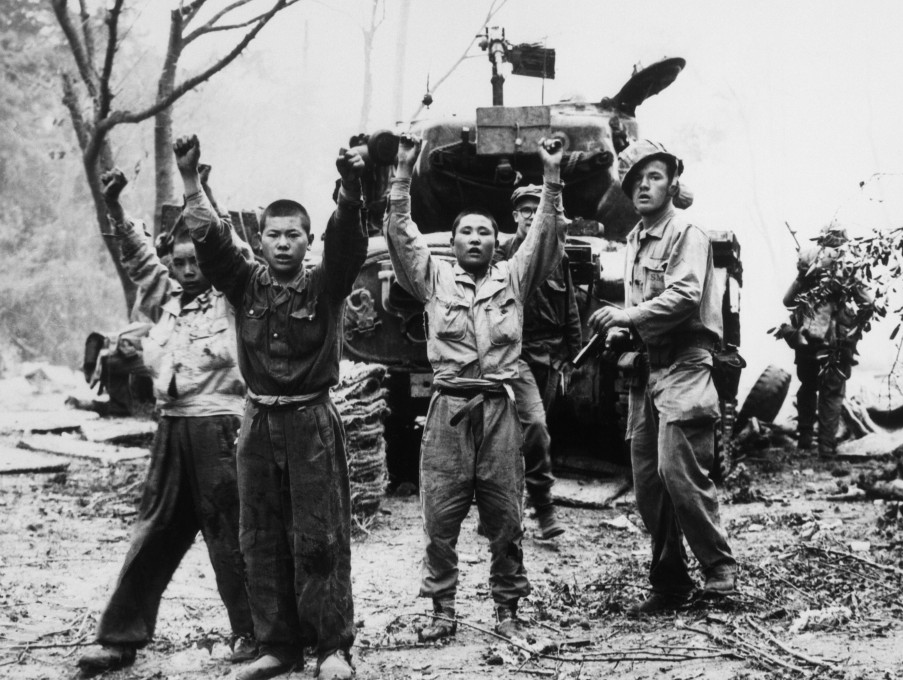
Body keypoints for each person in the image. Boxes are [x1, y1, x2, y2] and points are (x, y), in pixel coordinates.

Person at [173, 133, 367, 680]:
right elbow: (211, 241)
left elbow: (348, 243)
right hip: (257, 422)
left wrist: (351, 189)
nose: (283, 244)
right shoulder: (243, 284)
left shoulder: (326, 285)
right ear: (259, 241)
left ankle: (331, 648)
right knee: (258, 535)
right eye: (274, 235)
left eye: (293, 235)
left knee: (320, 535)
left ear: (308, 241)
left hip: (311, 422)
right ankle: (276, 646)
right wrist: (189, 178)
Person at [385, 135, 567, 641]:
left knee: (506, 517)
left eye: (484, 232)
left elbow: (544, 236)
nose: (474, 238)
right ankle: (442, 610)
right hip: (448, 410)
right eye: (465, 231)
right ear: (453, 241)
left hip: (499, 412)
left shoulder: (513, 279)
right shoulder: (433, 279)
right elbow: (401, 234)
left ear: (495, 241)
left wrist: (552, 177)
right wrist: (403, 172)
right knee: (439, 517)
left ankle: (508, 609)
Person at [77, 169, 255, 676]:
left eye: (196, 260)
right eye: (179, 262)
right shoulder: (168, 300)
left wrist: (200, 191)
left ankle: (258, 634)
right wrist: (115, 206)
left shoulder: (234, 296)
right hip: (172, 431)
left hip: (221, 431)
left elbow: (233, 250)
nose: (188, 269)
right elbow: (138, 258)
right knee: (152, 531)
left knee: (233, 535)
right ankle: (119, 638)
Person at [589, 139, 738, 615]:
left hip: (686, 365)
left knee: (679, 471)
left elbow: (685, 296)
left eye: (653, 177)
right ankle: (670, 582)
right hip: (646, 371)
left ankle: (720, 572)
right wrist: (622, 332)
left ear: (673, 183)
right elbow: (641, 308)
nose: (643, 186)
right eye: (635, 180)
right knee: (649, 483)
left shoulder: (686, 232)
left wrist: (627, 317)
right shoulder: (635, 238)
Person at [502, 184, 582, 540]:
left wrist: (574, 355)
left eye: (538, 210)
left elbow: (570, 307)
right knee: (533, 426)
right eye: (525, 210)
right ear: (515, 216)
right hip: (512, 352)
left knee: (527, 433)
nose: (531, 216)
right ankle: (544, 507)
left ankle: (502, 508)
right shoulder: (500, 254)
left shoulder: (555, 256)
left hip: (548, 354)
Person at [782, 223, 873, 459]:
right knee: (831, 393)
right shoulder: (848, 267)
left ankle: (804, 440)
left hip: (806, 341)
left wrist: (803, 278)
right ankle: (826, 447)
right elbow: (868, 304)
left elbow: (788, 301)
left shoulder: (809, 262)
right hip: (836, 343)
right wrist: (853, 326)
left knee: (808, 387)